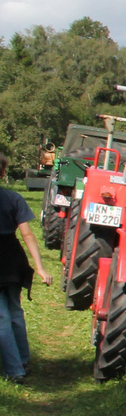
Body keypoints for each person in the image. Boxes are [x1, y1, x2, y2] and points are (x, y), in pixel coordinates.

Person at [1, 154, 54, 382]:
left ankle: (15, 371)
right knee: (14, 311)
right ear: (3, 173)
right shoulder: (13, 198)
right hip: (13, 260)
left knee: (1, 318)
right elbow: (27, 234)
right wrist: (40, 268)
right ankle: (23, 360)